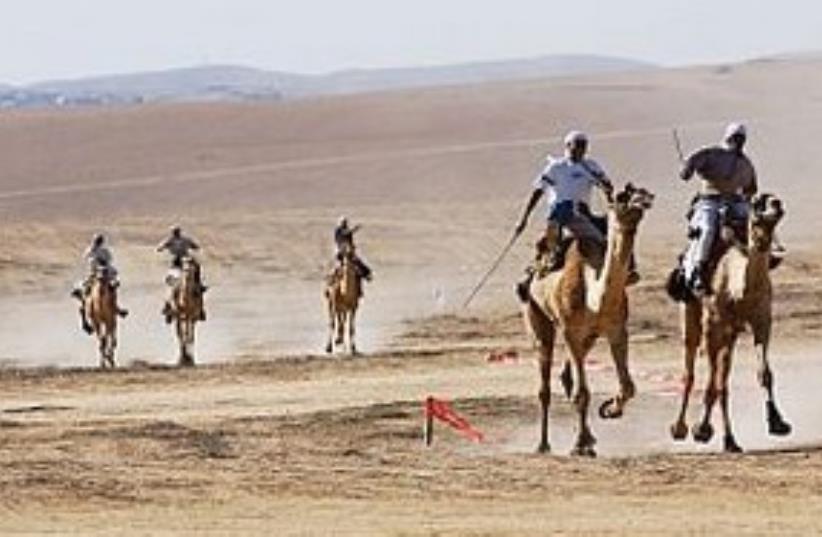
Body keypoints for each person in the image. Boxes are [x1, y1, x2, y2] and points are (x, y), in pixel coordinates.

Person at [514, 130, 637, 300]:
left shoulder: (590, 166)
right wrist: (524, 219)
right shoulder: (556, 167)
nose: (579, 150)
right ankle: (533, 275)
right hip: (561, 213)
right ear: (567, 146)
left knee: (616, 233)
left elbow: (607, 187)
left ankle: (626, 271)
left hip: (582, 212)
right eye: (576, 146)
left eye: (583, 147)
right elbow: (537, 191)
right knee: (592, 241)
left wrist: (608, 192)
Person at [679, 122, 757, 294]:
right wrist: (686, 169)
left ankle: (763, 260)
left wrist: (746, 199)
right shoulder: (711, 154)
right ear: (728, 137)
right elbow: (690, 165)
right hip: (709, 202)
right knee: (707, 229)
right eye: (736, 137)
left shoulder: (746, 163)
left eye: (741, 138)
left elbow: (751, 188)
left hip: (735, 203)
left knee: (757, 222)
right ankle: (698, 270)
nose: (738, 141)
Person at [71, 233, 128, 331]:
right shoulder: (90, 251)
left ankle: (116, 309)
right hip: (93, 274)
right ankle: (84, 320)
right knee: (84, 292)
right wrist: (95, 264)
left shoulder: (105, 251)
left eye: (99, 241)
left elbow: (109, 260)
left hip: (105, 273)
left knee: (112, 287)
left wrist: (104, 264)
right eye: (97, 240)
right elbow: (89, 260)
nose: (97, 242)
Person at [157, 226, 207, 322]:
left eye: (176, 232)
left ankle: (199, 287)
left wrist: (196, 247)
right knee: (171, 282)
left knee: (195, 268)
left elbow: (194, 245)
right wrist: (161, 248)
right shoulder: (170, 240)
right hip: (175, 262)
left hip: (185, 260)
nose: (176, 233)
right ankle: (168, 305)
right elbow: (161, 246)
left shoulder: (184, 239)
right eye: (175, 232)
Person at [334, 217, 373, 282]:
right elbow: (346, 233)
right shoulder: (338, 230)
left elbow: (350, 240)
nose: (344, 224)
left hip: (348, 251)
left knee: (358, 262)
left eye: (345, 223)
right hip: (340, 251)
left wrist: (352, 247)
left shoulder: (347, 230)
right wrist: (354, 229)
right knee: (341, 266)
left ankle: (366, 275)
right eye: (343, 223)